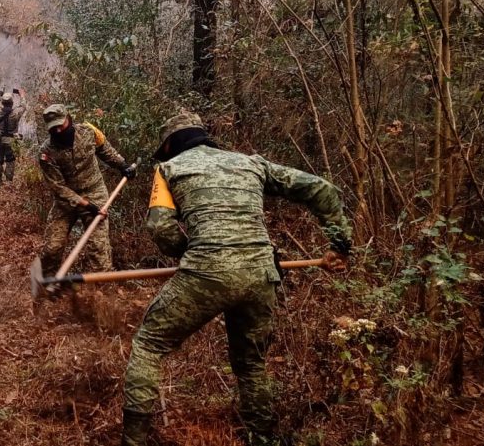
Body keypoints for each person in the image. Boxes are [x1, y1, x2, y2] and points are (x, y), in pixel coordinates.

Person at [121, 111, 352, 446]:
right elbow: (322, 189)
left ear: (171, 143)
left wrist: (190, 251)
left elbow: (160, 227)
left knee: (148, 345)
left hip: (206, 274)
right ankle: (262, 436)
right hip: (261, 275)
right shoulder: (251, 163)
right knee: (251, 365)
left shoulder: (168, 168)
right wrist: (340, 245)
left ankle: (133, 441)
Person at [37, 104, 136, 275]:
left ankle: (100, 293)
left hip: (94, 192)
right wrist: (85, 204)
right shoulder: (46, 153)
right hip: (66, 200)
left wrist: (123, 165)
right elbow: (58, 188)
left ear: (69, 118)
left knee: (98, 248)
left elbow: (106, 151)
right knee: (52, 248)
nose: (59, 131)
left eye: (61, 125)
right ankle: (49, 286)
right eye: (54, 128)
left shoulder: (89, 131)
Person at [0, 89, 26, 184]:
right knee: (10, 160)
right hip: (11, 141)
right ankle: (9, 182)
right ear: (12, 103)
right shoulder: (16, 113)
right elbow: (23, 106)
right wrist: (21, 95)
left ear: (3, 102)